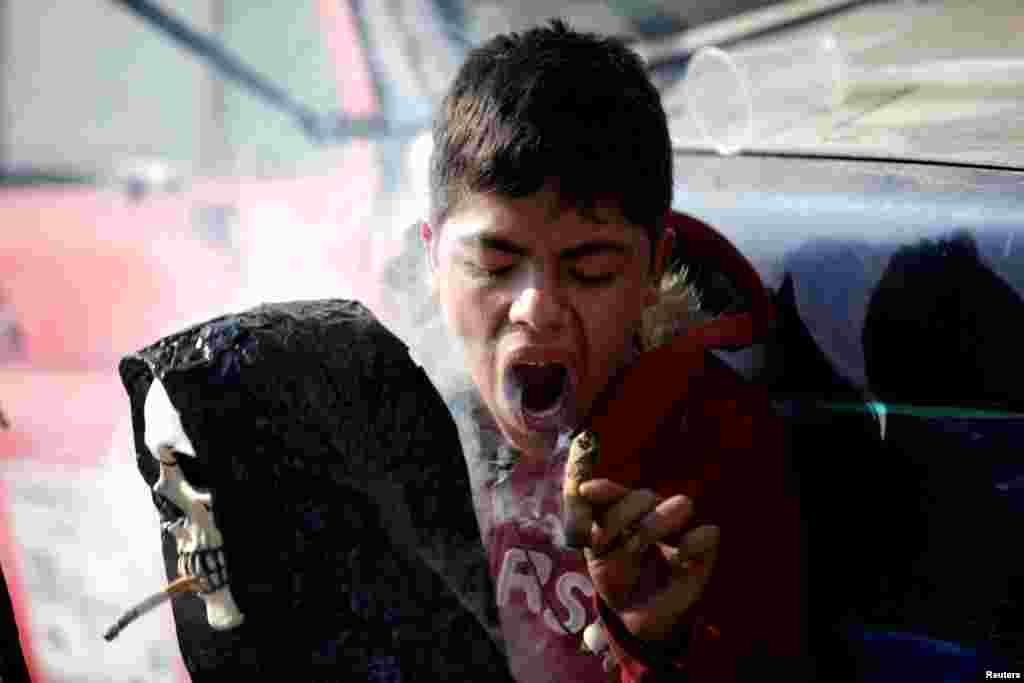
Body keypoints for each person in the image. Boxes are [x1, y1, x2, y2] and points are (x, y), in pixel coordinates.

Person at [416, 19, 808, 682]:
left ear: (653, 268)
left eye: (590, 268)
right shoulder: (394, 416)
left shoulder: (713, 449)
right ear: (433, 256)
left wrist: (652, 639)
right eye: (493, 261)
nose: (536, 306)